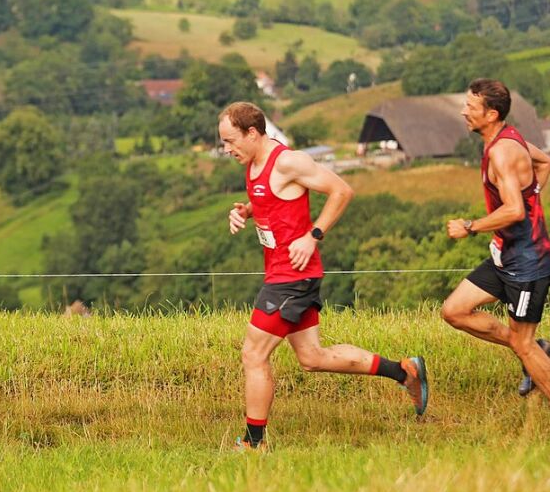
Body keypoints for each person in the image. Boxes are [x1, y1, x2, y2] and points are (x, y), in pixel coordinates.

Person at [219, 101, 427, 451]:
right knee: (312, 357)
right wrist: (247, 210)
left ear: (252, 132)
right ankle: (404, 371)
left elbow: (342, 190)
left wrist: (312, 235)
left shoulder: (288, 161)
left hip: (291, 277)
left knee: (253, 354)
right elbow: (272, 199)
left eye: (230, 141)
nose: (227, 149)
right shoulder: (254, 162)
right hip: (285, 273)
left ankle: (254, 444)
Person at [442, 79, 550, 399]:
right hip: (505, 255)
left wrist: (470, 226)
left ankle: (533, 350)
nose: (464, 112)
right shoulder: (505, 138)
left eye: (471, 107)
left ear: (491, 114)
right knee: (454, 311)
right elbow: (544, 162)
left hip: (528, 263)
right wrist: (535, 195)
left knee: (523, 345)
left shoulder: (502, 153)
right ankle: (536, 347)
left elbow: (514, 210)